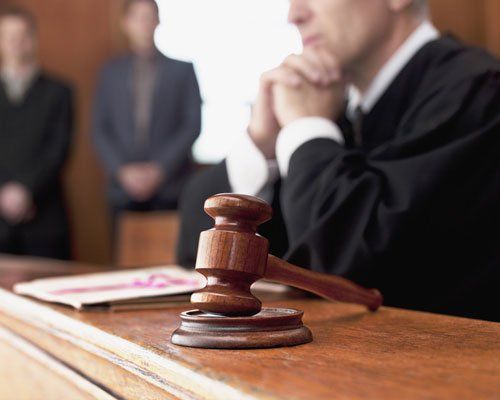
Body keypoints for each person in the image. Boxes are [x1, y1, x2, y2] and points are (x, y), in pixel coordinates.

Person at [177, 0, 500, 321]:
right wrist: (261, 144)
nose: (295, 15)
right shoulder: (333, 108)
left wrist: (306, 128)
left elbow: (348, 274)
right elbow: (197, 258)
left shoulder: (479, 92)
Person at [92, 0, 201, 226]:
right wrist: (122, 171)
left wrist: (159, 169)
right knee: (122, 259)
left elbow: (192, 125)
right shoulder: (110, 71)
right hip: (121, 187)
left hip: (170, 185)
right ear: (126, 23)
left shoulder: (182, 70)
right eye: (137, 17)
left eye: (148, 17)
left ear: (158, 21)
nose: (143, 23)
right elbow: (100, 128)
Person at [0, 6, 73, 259]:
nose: (16, 43)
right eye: (9, 36)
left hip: (45, 217)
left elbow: (58, 149)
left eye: (22, 36)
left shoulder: (59, 92)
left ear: (33, 39)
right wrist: (5, 192)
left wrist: (26, 190)